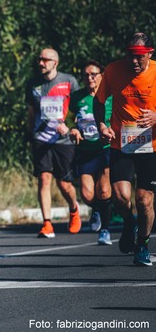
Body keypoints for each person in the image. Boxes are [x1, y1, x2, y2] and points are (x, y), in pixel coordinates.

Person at [94, 32, 156, 266]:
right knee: (120, 197)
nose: (134, 61)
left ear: (150, 52)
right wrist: (101, 124)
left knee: (144, 200)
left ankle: (142, 244)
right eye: (130, 55)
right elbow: (98, 101)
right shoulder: (113, 70)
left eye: (140, 56)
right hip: (122, 143)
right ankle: (129, 224)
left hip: (152, 145)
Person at [25, 47, 81, 238]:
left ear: (55, 63)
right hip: (41, 138)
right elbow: (31, 112)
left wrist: (71, 126)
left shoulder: (69, 81)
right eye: (39, 59)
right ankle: (47, 223)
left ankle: (74, 209)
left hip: (63, 140)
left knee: (64, 183)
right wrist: (30, 132)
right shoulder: (32, 84)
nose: (41, 63)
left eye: (46, 60)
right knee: (44, 178)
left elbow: (79, 109)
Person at [67, 60, 113, 245]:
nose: (89, 78)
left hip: (106, 148)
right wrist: (73, 129)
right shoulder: (77, 97)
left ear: (102, 75)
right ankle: (96, 210)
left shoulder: (111, 96)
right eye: (86, 75)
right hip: (85, 150)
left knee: (103, 189)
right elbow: (69, 119)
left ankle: (105, 230)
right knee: (87, 194)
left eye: (93, 74)